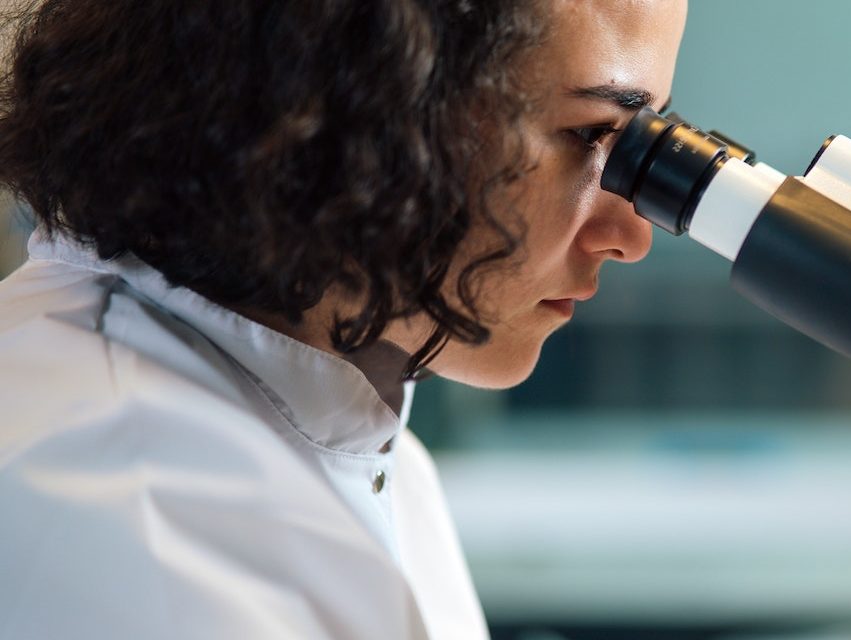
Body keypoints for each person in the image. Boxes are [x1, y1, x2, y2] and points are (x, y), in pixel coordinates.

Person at [0, 0, 685, 637]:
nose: (632, 233)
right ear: (365, 98)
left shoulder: (365, 444)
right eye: (591, 134)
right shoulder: (123, 499)